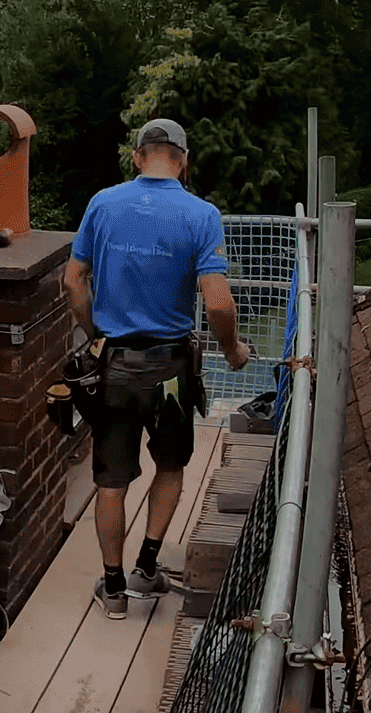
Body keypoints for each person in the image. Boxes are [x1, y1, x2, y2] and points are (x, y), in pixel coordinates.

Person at [63, 118, 251, 621]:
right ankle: (147, 566)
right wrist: (233, 351)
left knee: (112, 479)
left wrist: (93, 333)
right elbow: (219, 305)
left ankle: (114, 588)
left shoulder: (103, 203)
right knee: (170, 465)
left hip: (117, 368)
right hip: (170, 370)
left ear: (137, 156)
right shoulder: (202, 214)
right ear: (183, 160)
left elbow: (73, 280)